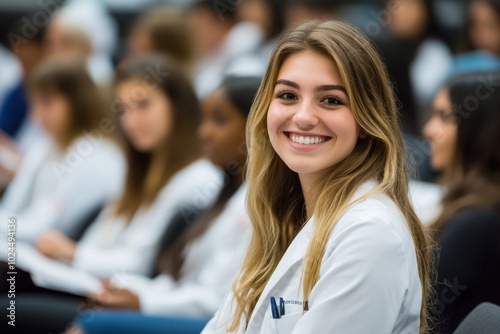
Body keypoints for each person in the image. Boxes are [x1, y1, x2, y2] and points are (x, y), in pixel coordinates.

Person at [203, 20, 432, 333]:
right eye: (287, 96)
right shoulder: (283, 213)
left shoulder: (370, 234)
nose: (304, 117)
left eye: (331, 100)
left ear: (366, 120)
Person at [34, 54, 221, 279]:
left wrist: (74, 254)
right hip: (88, 283)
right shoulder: (136, 170)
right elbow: (99, 237)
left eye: (143, 105)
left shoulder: (197, 178)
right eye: (123, 109)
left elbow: (144, 265)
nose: (131, 121)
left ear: (178, 106)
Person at [0, 59, 124, 244]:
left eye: (47, 103)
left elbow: (42, 228)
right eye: (34, 104)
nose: (37, 115)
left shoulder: (98, 157)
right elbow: (12, 206)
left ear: (77, 102)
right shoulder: (44, 146)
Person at [423, 71, 500, 333]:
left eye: (445, 118)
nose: (428, 130)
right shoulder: (478, 206)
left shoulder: (476, 222)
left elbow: (426, 318)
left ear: (482, 130)